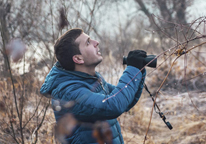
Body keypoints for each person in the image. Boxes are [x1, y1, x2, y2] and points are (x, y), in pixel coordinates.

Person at [40, 28, 147, 144]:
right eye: (88, 42)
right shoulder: (69, 92)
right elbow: (113, 105)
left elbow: (125, 102)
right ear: (78, 58)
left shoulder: (91, 79)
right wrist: (132, 69)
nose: (96, 42)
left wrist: (138, 70)